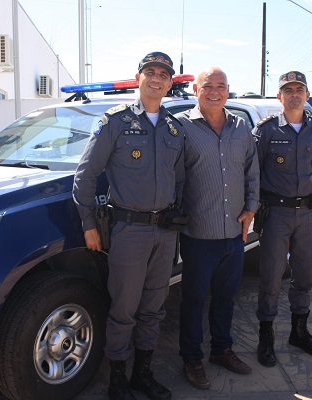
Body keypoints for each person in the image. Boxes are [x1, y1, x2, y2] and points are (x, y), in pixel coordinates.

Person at [73, 51, 185, 400]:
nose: (156, 78)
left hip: (165, 233)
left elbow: (179, 180)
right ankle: (118, 378)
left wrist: (176, 216)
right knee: (123, 308)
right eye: (150, 72)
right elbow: (85, 176)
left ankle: (142, 374)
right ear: (138, 78)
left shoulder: (174, 128)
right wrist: (89, 224)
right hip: (129, 232)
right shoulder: (115, 122)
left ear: (170, 82)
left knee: (154, 307)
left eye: (163, 74)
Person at [176, 67, 259, 389]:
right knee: (193, 301)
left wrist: (252, 206)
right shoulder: (181, 126)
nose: (215, 91)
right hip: (198, 234)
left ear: (228, 90)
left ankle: (222, 350)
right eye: (208, 86)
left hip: (234, 234)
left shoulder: (241, 128)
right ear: (196, 88)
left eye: (221, 86)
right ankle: (192, 359)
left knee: (226, 298)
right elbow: (172, 174)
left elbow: (253, 172)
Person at [253, 71, 312, 368]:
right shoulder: (267, 130)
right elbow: (253, 172)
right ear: (279, 97)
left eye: (299, 89)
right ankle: (266, 337)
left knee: (306, 274)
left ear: (307, 95)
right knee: (271, 276)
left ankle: (299, 331)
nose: (294, 94)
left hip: (308, 214)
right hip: (277, 214)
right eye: (288, 90)